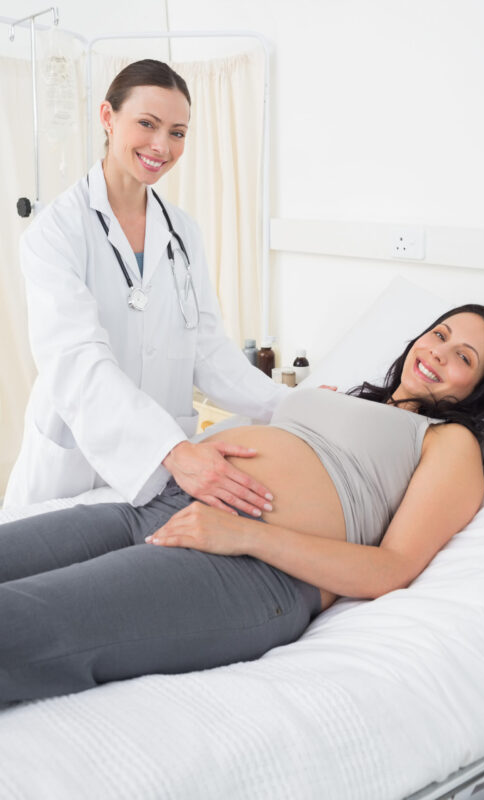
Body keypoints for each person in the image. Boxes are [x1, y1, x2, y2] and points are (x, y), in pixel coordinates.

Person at [0, 305, 484, 704]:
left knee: (20, 622)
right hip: (163, 506)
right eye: (440, 335)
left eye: (464, 357)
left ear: (481, 386)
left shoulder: (449, 441)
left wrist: (245, 535)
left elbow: (392, 569)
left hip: (248, 570)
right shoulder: (349, 397)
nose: (438, 351)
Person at [5, 59, 285, 515]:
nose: (162, 145)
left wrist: (292, 405)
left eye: (177, 132)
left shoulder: (183, 233)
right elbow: (77, 361)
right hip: (75, 467)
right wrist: (170, 449)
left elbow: (210, 352)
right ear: (107, 118)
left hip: (156, 477)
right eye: (147, 124)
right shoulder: (55, 231)